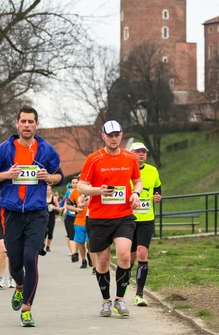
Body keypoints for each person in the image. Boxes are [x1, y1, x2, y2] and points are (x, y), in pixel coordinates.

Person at [0, 105, 64, 327]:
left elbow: (60, 176)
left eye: (31, 122)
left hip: (37, 212)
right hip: (11, 213)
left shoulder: (46, 150)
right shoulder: (3, 150)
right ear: (16, 124)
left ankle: (27, 310)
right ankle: (19, 286)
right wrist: (6, 174)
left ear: (37, 125)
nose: (27, 125)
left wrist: (49, 177)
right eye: (23, 121)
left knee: (31, 258)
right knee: (16, 264)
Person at [77, 120, 142, 318]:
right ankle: (106, 301)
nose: (114, 139)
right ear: (103, 136)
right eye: (110, 135)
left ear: (121, 135)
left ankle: (120, 300)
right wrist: (98, 190)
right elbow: (81, 186)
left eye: (117, 135)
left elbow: (137, 181)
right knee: (103, 261)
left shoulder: (130, 158)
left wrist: (136, 194)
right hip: (98, 218)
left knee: (124, 256)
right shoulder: (94, 159)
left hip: (123, 216)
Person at [128, 141, 162, 307]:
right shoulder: (125, 170)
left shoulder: (152, 170)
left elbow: (157, 189)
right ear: (131, 153)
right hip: (127, 219)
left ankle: (139, 294)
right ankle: (125, 278)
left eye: (143, 151)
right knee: (129, 256)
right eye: (137, 151)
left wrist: (157, 197)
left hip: (146, 219)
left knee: (142, 253)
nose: (141, 154)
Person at [63, 179, 80, 262]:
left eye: (76, 183)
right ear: (71, 184)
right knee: (71, 235)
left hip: (78, 215)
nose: (75, 184)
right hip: (69, 215)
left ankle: (76, 251)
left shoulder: (81, 191)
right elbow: (66, 202)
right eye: (73, 183)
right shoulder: (68, 192)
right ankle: (73, 253)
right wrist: (65, 209)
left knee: (77, 235)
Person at [45, 185, 59, 252]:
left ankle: (48, 246)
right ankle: (42, 244)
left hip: (51, 217)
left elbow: (58, 208)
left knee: (50, 232)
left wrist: (53, 207)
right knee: (44, 232)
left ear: (51, 190)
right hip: (43, 217)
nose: (48, 191)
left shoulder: (54, 198)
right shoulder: (42, 198)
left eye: (49, 190)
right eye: (47, 190)